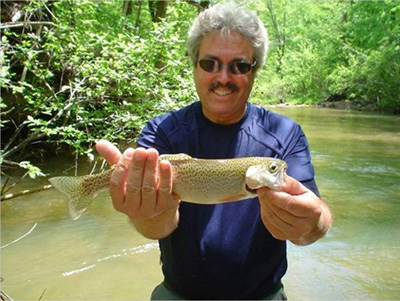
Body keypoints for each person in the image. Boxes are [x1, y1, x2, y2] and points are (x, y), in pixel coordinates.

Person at [96, 3, 333, 300]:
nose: (223, 77)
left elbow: (316, 221)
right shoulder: (162, 132)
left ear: (254, 71)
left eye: (239, 66)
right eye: (210, 64)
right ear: (195, 66)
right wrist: (149, 213)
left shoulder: (285, 134)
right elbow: (156, 226)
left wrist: (311, 224)